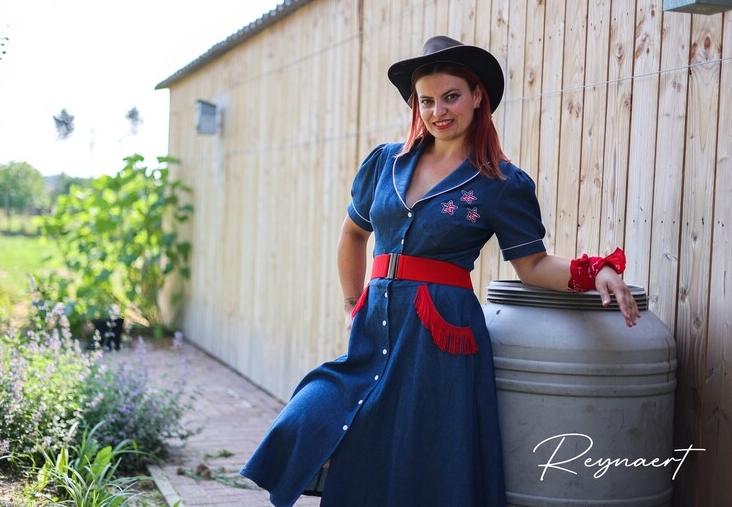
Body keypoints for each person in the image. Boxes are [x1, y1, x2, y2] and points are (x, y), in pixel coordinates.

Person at [240, 35, 640, 506]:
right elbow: (353, 236)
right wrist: (353, 304)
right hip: (376, 328)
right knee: (316, 413)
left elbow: (532, 265)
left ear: (476, 97)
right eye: (426, 100)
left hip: (441, 338)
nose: (439, 111)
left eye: (451, 96)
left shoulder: (501, 183)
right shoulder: (384, 164)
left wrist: (595, 272)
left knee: (422, 457)